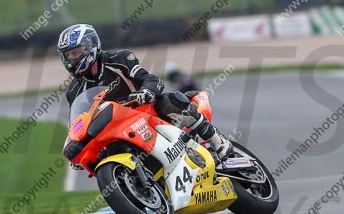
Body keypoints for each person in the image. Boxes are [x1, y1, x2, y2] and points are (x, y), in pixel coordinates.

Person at [58, 24, 231, 161]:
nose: (71, 59)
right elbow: (78, 123)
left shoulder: (119, 59)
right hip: (115, 130)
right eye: (67, 56)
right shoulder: (73, 91)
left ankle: (217, 140)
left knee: (168, 100)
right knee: (102, 154)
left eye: (75, 53)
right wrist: (74, 144)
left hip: (144, 112)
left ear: (90, 46)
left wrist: (146, 92)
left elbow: (150, 79)